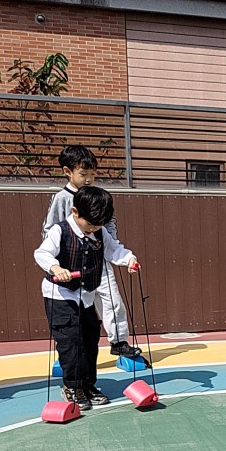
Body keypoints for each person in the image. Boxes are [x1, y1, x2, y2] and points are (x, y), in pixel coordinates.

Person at [35, 186, 140, 412]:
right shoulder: (60, 231)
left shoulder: (100, 232)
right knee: (71, 342)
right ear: (75, 212)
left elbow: (114, 250)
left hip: (86, 297)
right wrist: (55, 267)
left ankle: (88, 384)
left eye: (98, 225)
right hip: (60, 295)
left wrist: (129, 260)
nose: (93, 229)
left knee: (90, 341)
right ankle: (72, 387)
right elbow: (42, 253)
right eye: (90, 224)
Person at [43, 145, 144, 361]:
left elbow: (109, 225)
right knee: (75, 308)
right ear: (67, 172)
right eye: (83, 174)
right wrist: (58, 261)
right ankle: (70, 348)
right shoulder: (62, 198)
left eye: (93, 174)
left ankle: (119, 342)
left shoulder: (99, 197)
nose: (89, 179)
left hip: (99, 259)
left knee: (113, 301)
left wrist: (118, 252)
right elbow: (50, 228)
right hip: (72, 264)